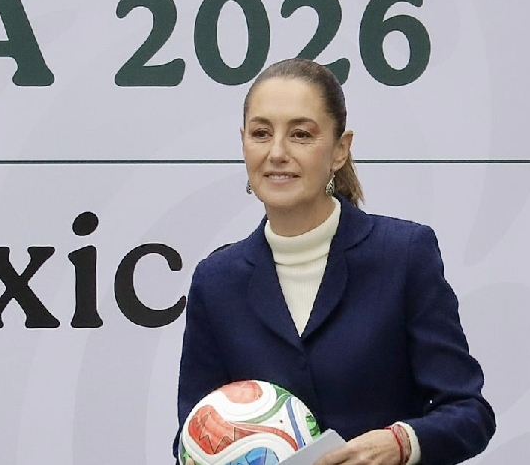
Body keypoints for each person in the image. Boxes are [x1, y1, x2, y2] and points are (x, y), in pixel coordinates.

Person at [175, 58, 495, 465]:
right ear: (243, 143)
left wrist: (401, 444)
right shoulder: (216, 281)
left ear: (340, 149)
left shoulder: (404, 254)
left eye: (301, 135)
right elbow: (192, 435)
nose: (277, 152)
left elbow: (470, 412)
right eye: (260, 133)